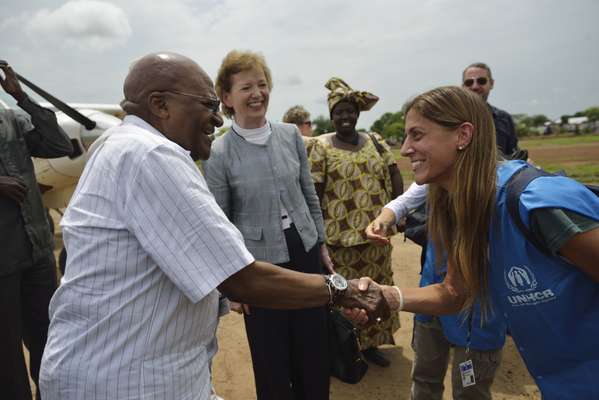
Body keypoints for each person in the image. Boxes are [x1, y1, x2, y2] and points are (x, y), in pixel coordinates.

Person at [39, 52, 389, 400]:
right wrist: (344, 291)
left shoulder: (125, 146)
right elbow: (241, 278)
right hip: (128, 380)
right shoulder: (151, 156)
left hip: (138, 368)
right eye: (208, 104)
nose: (218, 118)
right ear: (161, 105)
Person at [355, 86, 599, 399]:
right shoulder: (464, 205)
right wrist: (386, 296)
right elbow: (455, 292)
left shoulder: (536, 202)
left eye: (416, 135)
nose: (404, 149)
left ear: (463, 135)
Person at [203, 50, 333, 400]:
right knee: (270, 352)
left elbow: (309, 194)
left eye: (262, 84)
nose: (257, 93)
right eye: (246, 87)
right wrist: (233, 283)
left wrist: (320, 243)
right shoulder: (219, 151)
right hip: (257, 262)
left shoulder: (291, 135)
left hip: (304, 250)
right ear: (227, 98)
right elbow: (220, 220)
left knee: (312, 344)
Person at [307, 77, 403, 368]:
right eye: (339, 112)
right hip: (340, 241)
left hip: (376, 238)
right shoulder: (320, 146)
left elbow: (394, 174)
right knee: (345, 297)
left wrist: (398, 212)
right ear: (331, 116)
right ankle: (345, 349)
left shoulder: (375, 141)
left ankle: (371, 344)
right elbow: (315, 191)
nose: (345, 116)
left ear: (357, 113)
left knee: (376, 291)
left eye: (350, 111)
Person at [0, 60, 73, 400]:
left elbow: (59, 147)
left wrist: (21, 96)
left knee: (50, 342)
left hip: (37, 252)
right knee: (6, 356)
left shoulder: (12, 117)